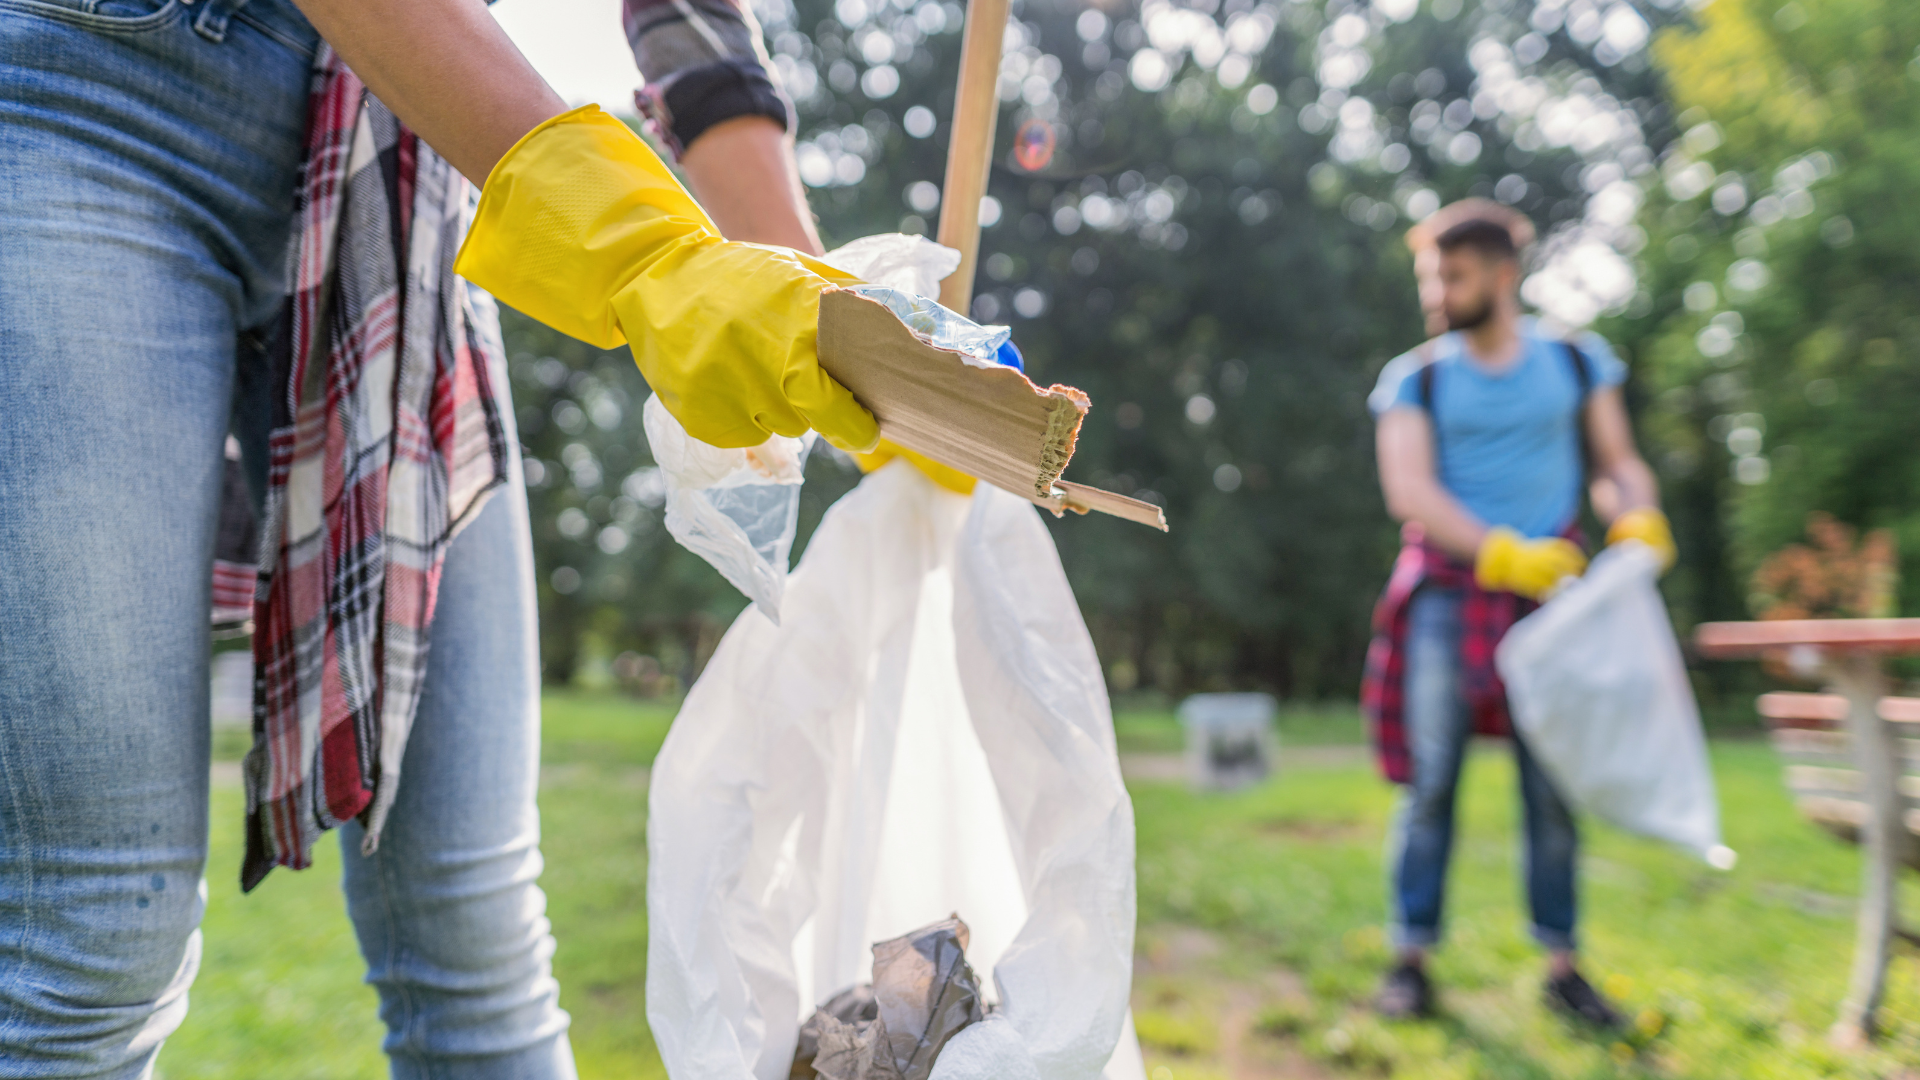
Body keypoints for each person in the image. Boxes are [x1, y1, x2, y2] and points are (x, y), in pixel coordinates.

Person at [0, 0, 876, 1074]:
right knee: (90, 946)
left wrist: (845, 331)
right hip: (86, 87)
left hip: (396, 162)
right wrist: (643, 250)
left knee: (477, 938)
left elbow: (691, 23)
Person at [1360, 201, 1677, 1026]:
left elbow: (1616, 464)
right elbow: (1410, 490)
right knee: (1431, 785)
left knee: (1553, 786)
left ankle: (1563, 967)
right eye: (1431, 276)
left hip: (1552, 600)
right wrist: (1498, 550)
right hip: (1447, 594)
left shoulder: (1574, 362)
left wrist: (1636, 516)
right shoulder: (1416, 378)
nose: (1438, 293)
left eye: (1454, 275)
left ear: (1504, 276)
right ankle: (1410, 961)